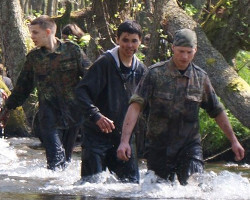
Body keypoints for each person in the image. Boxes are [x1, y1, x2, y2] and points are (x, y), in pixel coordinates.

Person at [117, 28, 245, 185]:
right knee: (159, 193)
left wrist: (233, 141)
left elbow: (216, 110)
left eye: (189, 52)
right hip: (159, 147)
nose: (185, 57)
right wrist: (124, 141)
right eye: (181, 51)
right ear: (173, 48)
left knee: (194, 188)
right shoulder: (155, 74)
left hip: (189, 147)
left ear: (195, 51)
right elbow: (135, 106)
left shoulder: (201, 78)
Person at [0, 15, 92, 170]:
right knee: (55, 158)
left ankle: (62, 192)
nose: (32, 37)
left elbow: (90, 78)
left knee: (66, 160)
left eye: (35, 33)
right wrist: (7, 108)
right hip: (48, 115)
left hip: (73, 114)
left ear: (48, 32)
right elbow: (23, 88)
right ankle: (50, 190)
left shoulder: (73, 50)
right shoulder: (34, 58)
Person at [75, 20, 147, 183]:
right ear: (117, 39)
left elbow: (147, 104)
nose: (129, 45)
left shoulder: (141, 70)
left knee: (129, 186)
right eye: (125, 40)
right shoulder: (104, 63)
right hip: (96, 136)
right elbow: (81, 91)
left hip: (124, 138)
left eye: (134, 41)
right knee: (91, 187)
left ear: (140, 42)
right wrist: (96, 115)